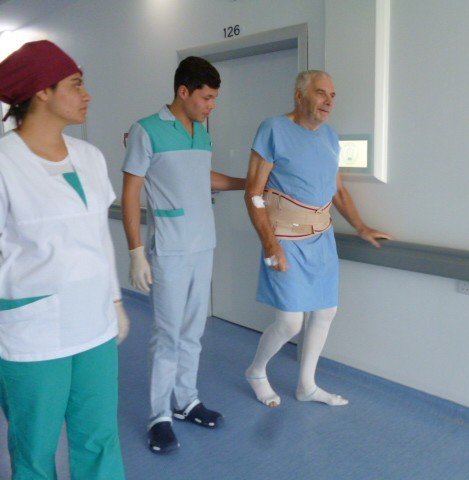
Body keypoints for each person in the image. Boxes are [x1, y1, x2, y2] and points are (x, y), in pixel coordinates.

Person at [0, 40, 127, 479]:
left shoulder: (90, 157)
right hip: (32, 331)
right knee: (34, 450)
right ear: (42, 91)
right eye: (75, 84)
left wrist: (115, 301)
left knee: (100, 439)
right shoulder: (4, 162)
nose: (87, 95)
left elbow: (99, 236)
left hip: (95, 324)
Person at [244, 70, 391, 408]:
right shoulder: (273, 129)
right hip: (284, 238)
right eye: (321, 93)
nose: (329, 101)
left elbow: (337, 190)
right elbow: (253, 192)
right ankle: (256, 371)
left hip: (321, 238)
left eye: (333, 95)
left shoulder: (330, 137)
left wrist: (361, 226)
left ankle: (306, 385)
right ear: (300, 96)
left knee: (325, 312)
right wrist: (270, 244)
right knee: (290, 322)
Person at [121, 56, 245, 454]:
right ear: (183, 91)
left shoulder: (201, 134)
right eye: (207, 98)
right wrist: (135, 251)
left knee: (193, 331)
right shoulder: (147, 130)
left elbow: (203, 177)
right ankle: (159, 416)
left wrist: (247, 182)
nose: (212, 106)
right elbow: (131, 192)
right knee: (168, 334)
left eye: (214, 98)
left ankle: (186, 400)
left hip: (203, 244)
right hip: (170, 250)